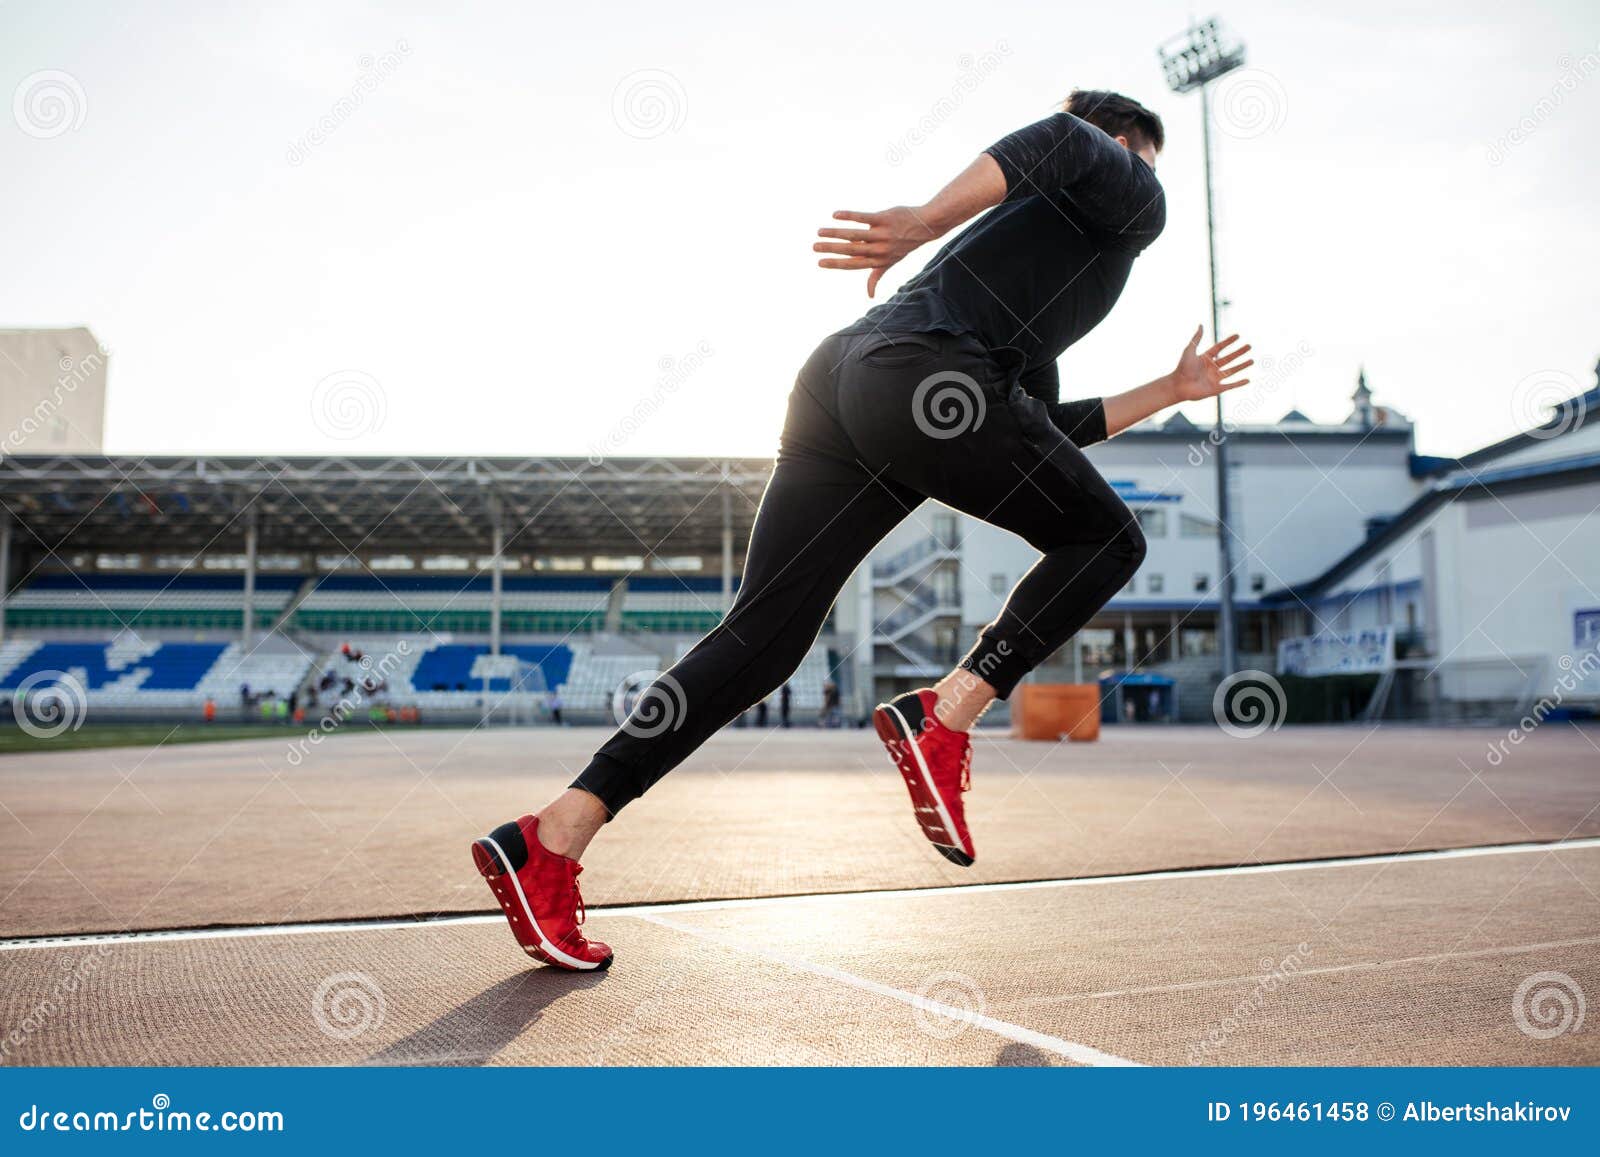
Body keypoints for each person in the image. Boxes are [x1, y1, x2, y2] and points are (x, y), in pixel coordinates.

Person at [470, 90, 1254, 971]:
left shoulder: (1022, 271)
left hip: (846, 378)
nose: (1139, 183)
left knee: (762, 640)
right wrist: (921, 219)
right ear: (1127, 149)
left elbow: (1041, 424)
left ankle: (553, 838)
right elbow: (1066, 140)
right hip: (922, 379)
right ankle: (945, 716)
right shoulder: (1128, 192)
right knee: (1111, 542)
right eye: (1136, 161)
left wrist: (1169, 390)